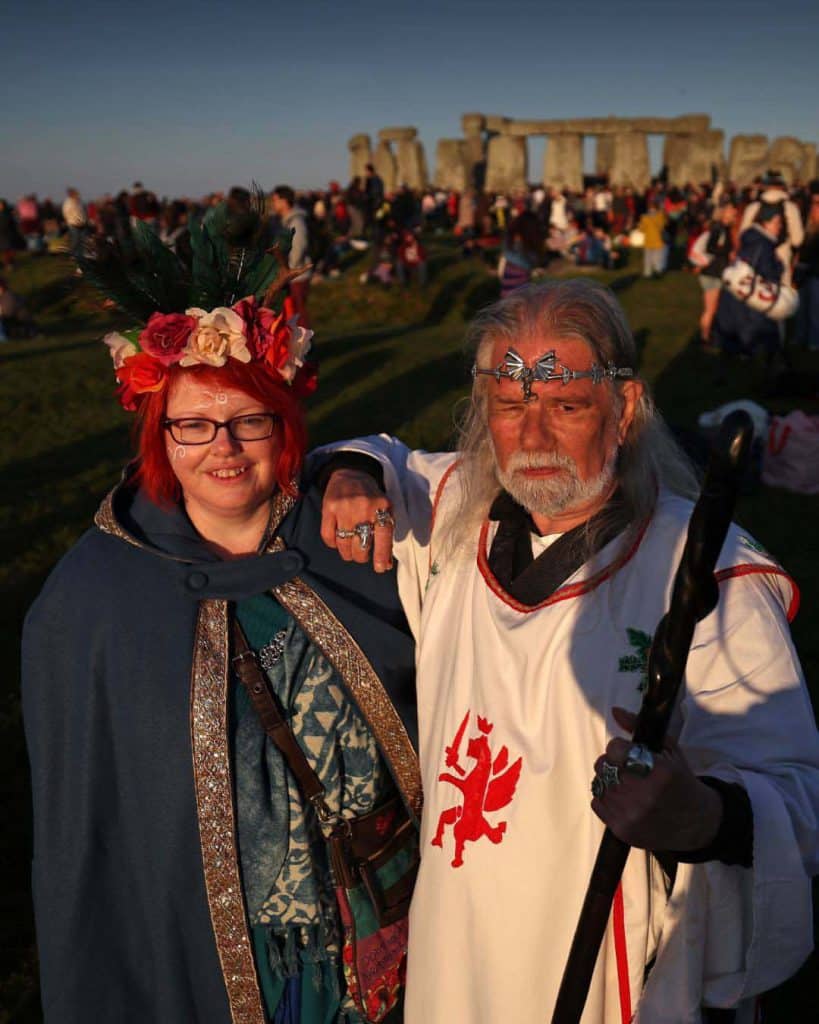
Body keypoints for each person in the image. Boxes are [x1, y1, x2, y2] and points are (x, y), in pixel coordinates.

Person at [317, 279, 819, 1023]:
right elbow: (377, 455)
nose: (533, 435)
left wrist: (701, 818)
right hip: (457, 947)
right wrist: (352, 475)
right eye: (510, 406)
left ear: (624, 409)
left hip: (604, 970)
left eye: (567, 406)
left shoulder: (704, 572)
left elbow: (797, 796)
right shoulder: (460, 511)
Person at [22, 203, 419, 1024]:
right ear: (157, 435)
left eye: (247, 421)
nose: (224, 448)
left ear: (286, 426)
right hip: (234, 961)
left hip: (397, 921)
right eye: (193, 425)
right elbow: (92, 836)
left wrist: (354, 463)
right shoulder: (91, 602)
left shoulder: (355, 530)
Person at [711, 202, 787, 370]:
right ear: (765, 223)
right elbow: (767, 276)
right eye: (777, 222)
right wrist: (779, 266)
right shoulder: (763, 244)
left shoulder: (752, 239)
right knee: (759, 344)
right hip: (751, 304)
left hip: (736, 300)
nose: (780, 227)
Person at [271, 185, 313, 329]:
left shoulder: (296, 222)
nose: (273, 203)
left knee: (299, 312)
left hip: (297, 275)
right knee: (293, 310)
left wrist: (288, 270)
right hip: (291, 274)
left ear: (284, 201)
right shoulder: (286, 221)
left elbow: (298, 248)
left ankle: (306, 345)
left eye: (276, 200)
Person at [637, 199, 668, 277]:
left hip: (648, 240)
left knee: (648, 258)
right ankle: (658, 270)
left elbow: (641, 229)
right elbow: (664, 225)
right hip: (658, 239)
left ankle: (647, 272)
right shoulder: (660, 216)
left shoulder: (645, 217)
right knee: (658, 258)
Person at [62, 187, 88, 259]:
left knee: (82, 240)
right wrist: (73, 221)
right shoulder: (68, 202)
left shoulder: (80, 201)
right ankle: (72, 254)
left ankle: (81, 255)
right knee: (75, 240)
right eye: (75, 193)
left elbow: (84, 211)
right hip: (73, 224)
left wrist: (85, 220)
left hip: (83, 223)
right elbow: (66, 213)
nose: (77, 194)